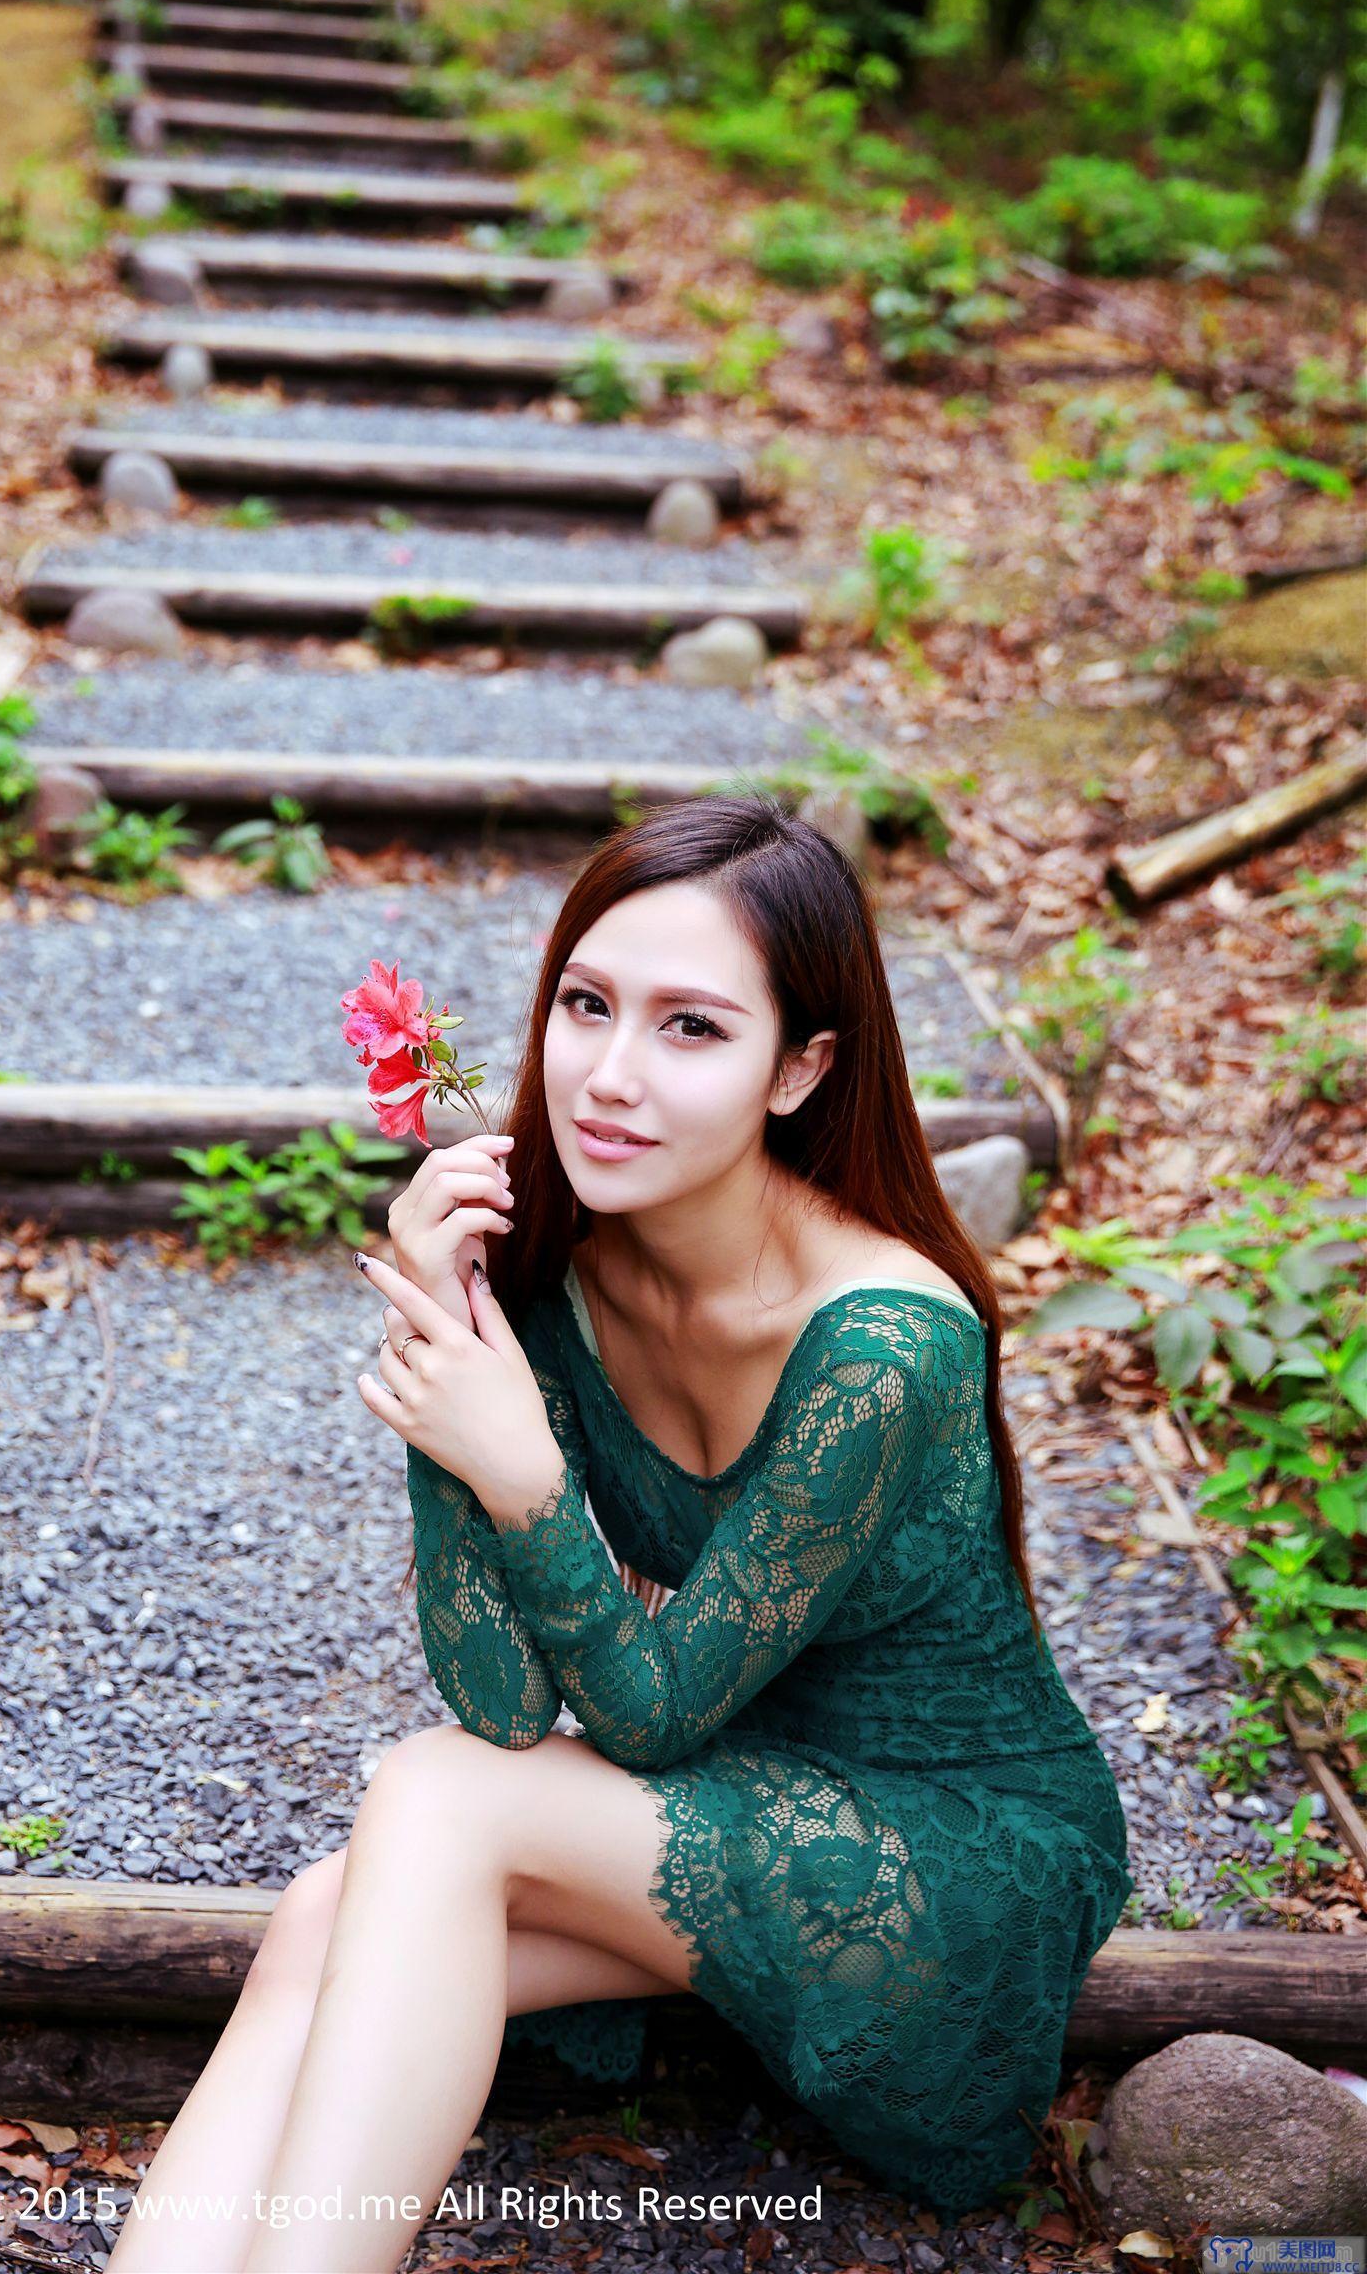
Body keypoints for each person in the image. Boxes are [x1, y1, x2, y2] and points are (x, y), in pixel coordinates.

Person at [107, 794, 1134, 2273]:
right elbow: (505, 1700)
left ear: (802, 1068)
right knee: (326, 1919)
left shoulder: (888, 1347)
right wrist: (452, 1334)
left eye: (692, 1030)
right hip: (756, 1779)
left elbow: (639, 1721)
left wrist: (521, 1475)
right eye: (587, 1005)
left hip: (962, 1856)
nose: (607, 1076)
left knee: (438, 1804)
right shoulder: (567, 1264)